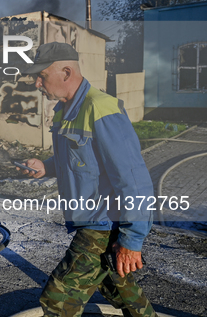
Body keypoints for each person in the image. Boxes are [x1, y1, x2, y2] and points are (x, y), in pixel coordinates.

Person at [18, 42, 156, 317]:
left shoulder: (100, 108)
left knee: (58, 300)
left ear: (66, 72)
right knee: (121, 289)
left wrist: (132, 239)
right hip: (93, 221)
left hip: (103, 225)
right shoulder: (65, 110)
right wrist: (46, 167)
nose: (36, 83)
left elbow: (134, 180)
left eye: (41, 76)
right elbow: (80, 161)